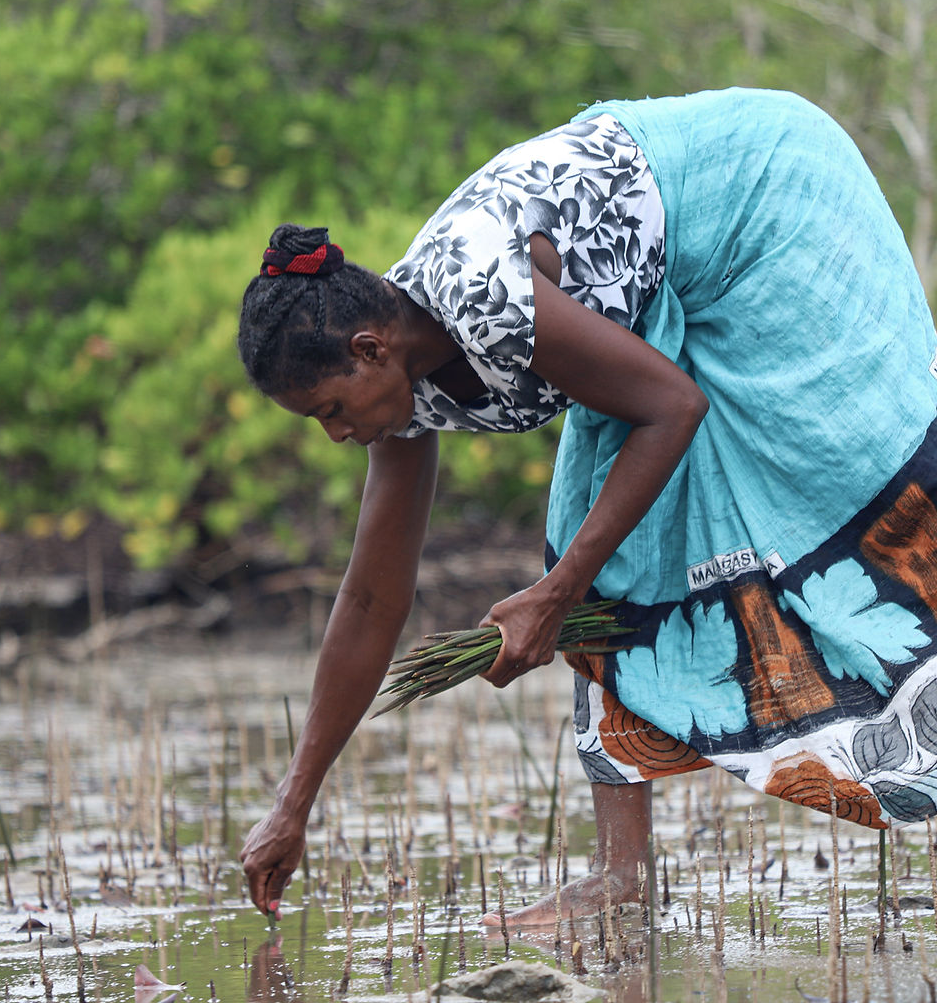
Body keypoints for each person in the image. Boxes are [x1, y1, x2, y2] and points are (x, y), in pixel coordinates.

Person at [236, 87, 937, 926]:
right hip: (652, 290)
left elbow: (671, 408)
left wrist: (556, 595)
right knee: (594, 545)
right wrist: (294, 801)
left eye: (330, 410)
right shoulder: (405, 391)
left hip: (764, 193)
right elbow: (368, 600)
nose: (337, 434)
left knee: (844, 471)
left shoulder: (483, 303)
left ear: (369, 349)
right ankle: (620, 879)